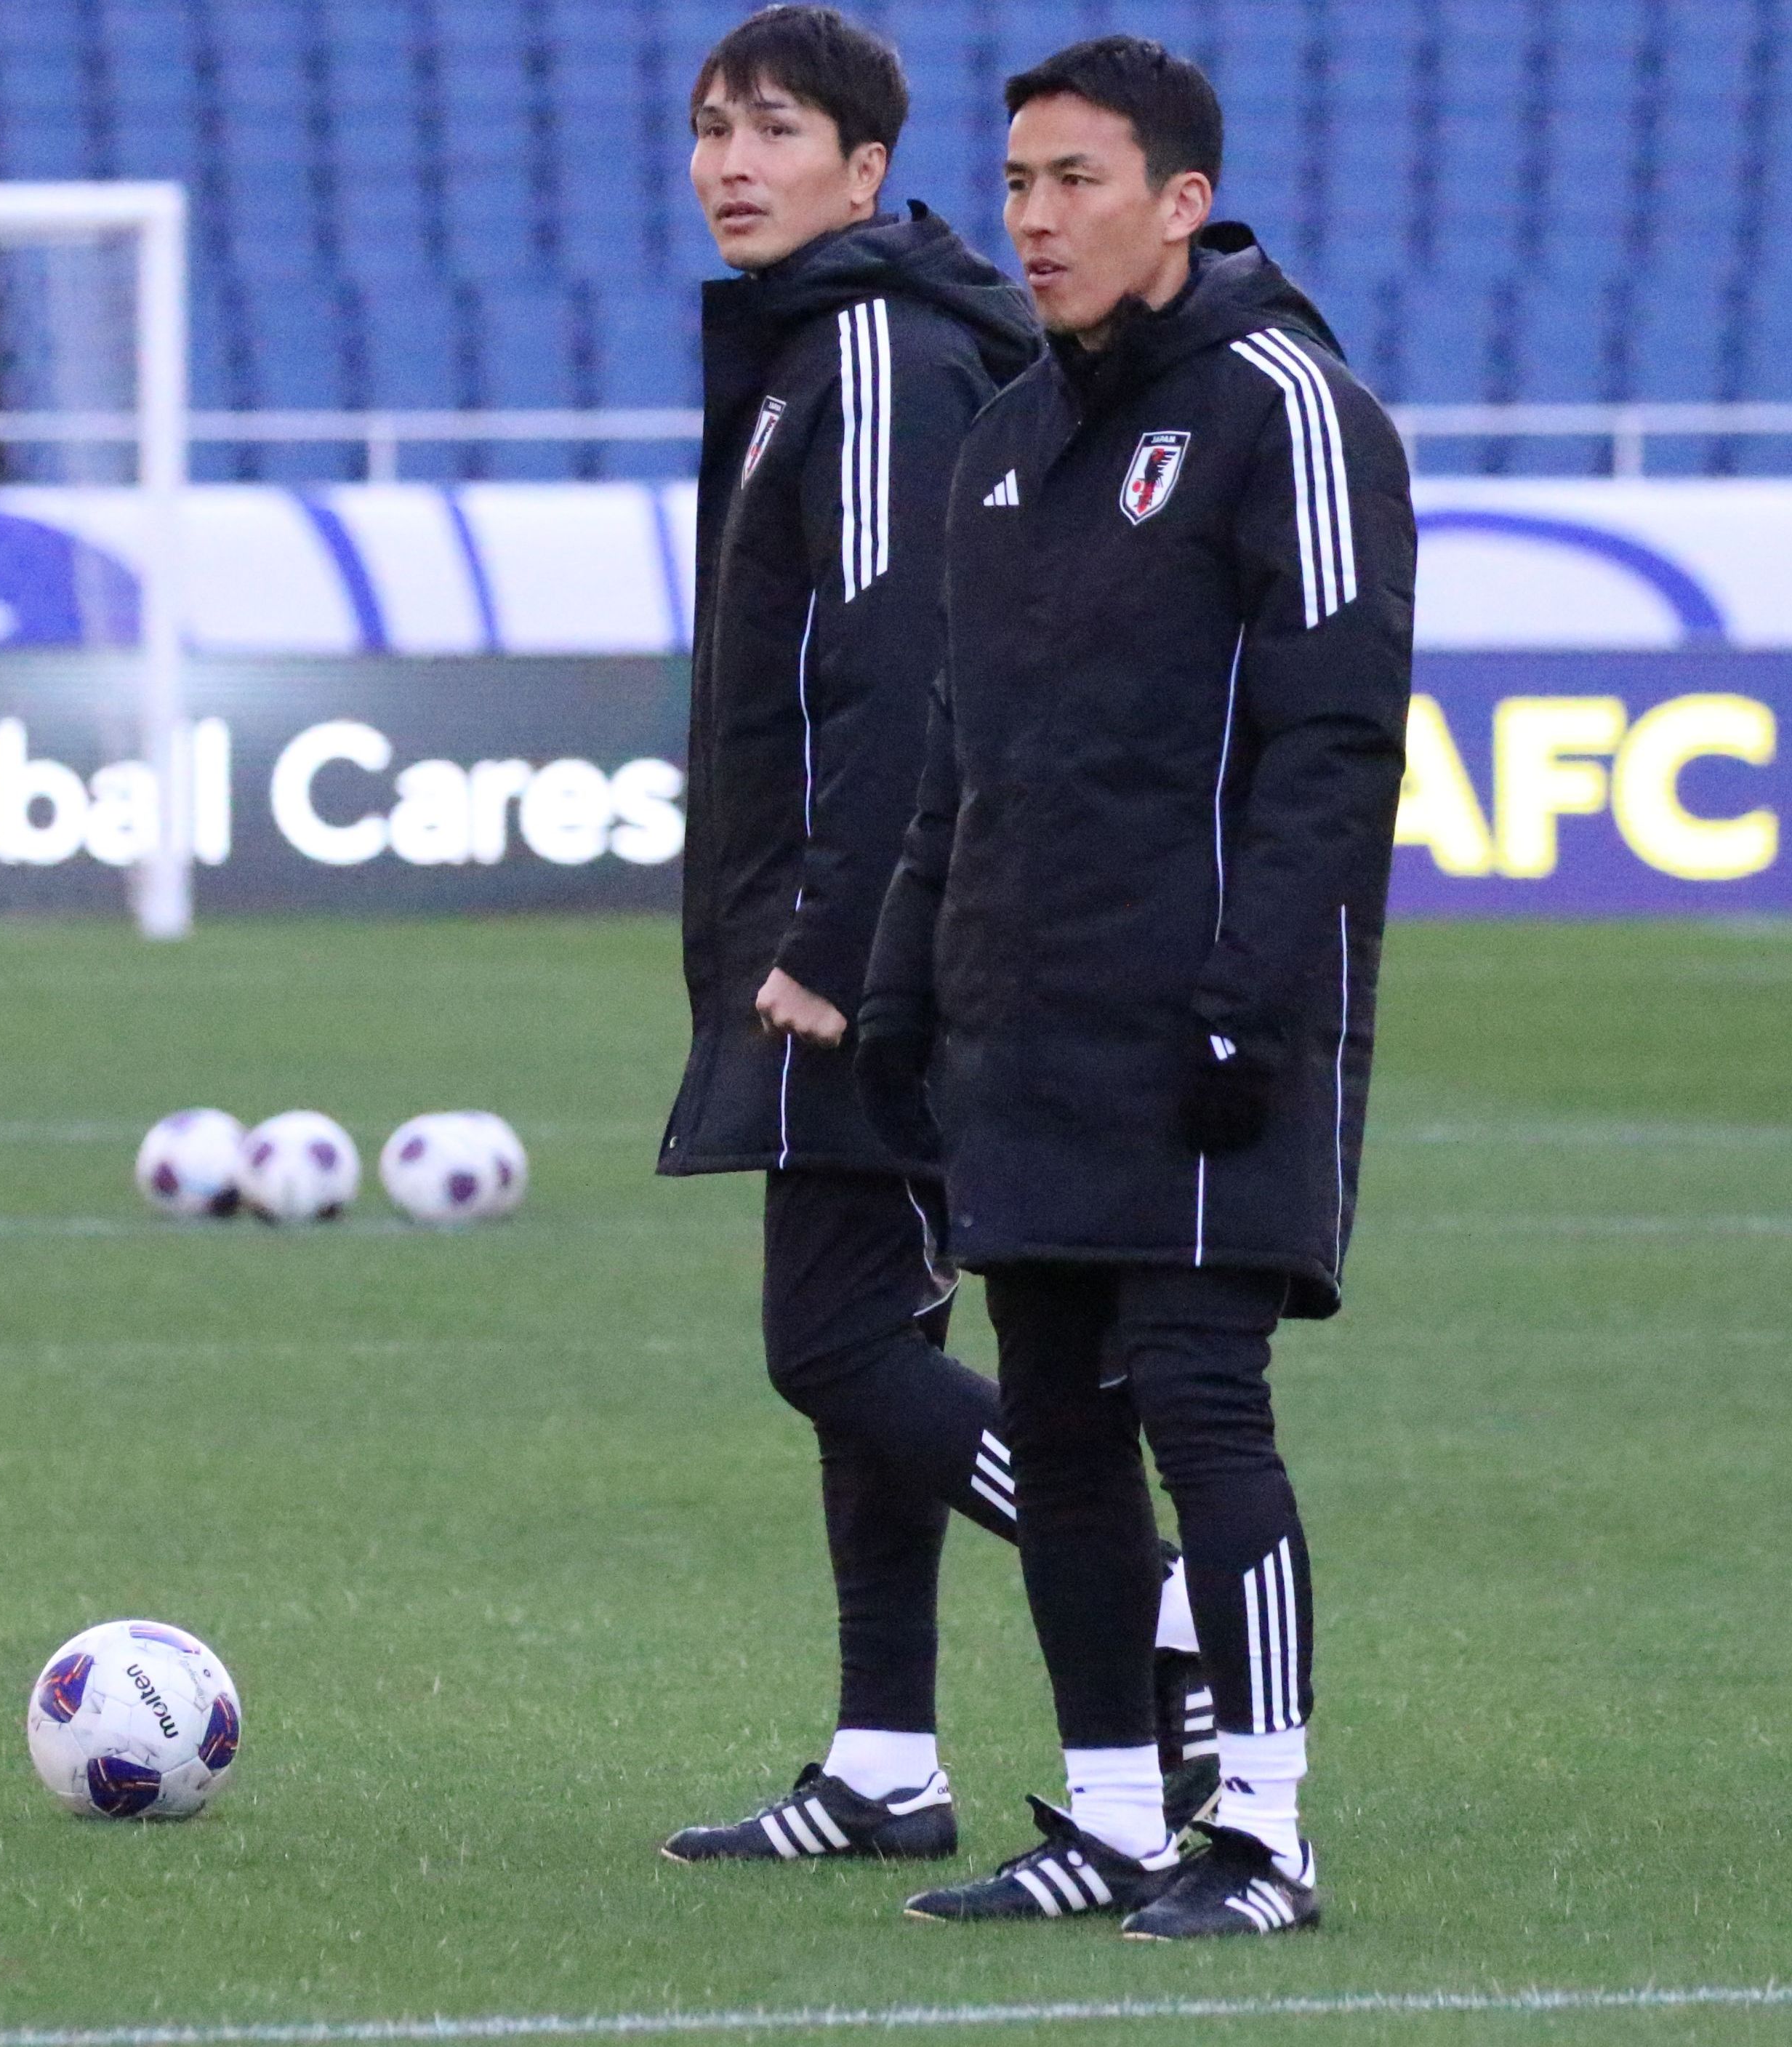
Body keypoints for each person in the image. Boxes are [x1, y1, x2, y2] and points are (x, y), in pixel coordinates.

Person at [858, 36, 1412, 1936]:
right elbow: (964, 749)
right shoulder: (1013, 437)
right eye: (1014, 183)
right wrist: (902, 993)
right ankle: (1108, 1817)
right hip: (1026, 1024)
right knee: (1063, 1430)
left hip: (1203, 1027)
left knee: (1199, 1403)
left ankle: (1257, 1833)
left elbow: (1336, 744)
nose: (1030, 218)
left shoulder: (1289, 407)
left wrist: (1251, 1003)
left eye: (1073, 181)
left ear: (1180, 200)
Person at [652, 6, 1217, 1868]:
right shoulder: (813, 346)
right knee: (859, 1338)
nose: (735, 160)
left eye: (778, 129)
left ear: (866, 171)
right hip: (825, 924)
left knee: (833, 1347)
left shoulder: (880, 352)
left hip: (870, 943)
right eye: (713, 128)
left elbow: (906, 668)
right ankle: (886, 1756)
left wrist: (838, 932)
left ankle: (1156, 1614)